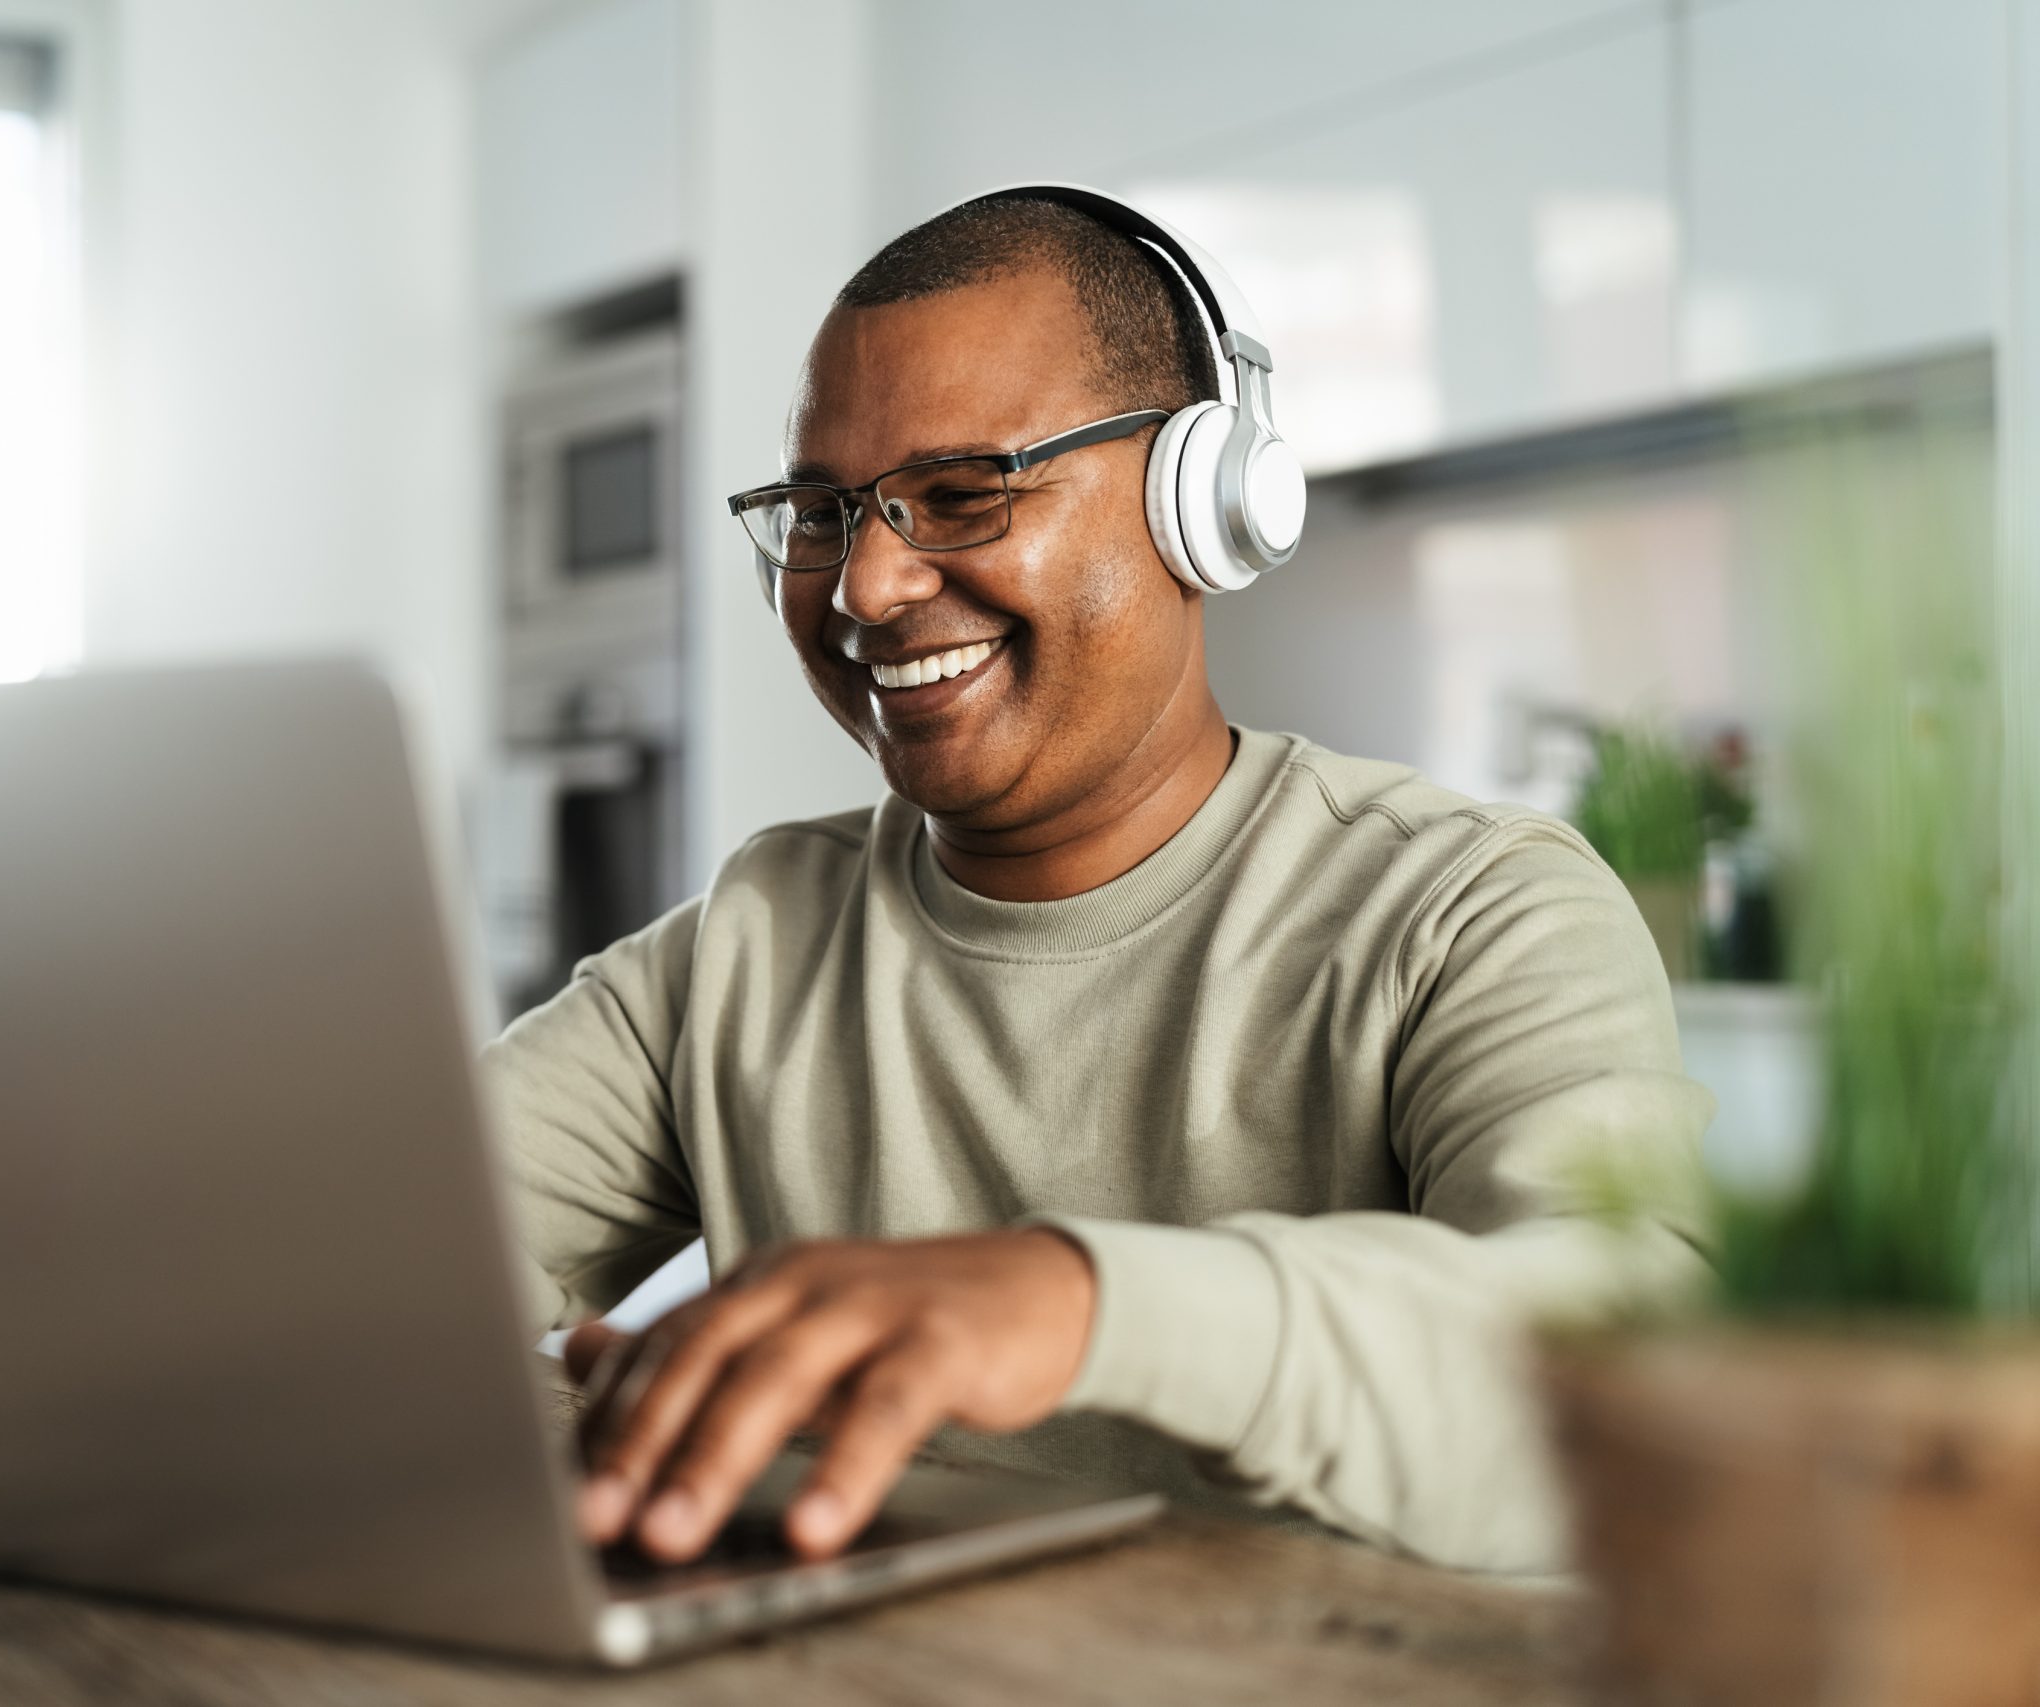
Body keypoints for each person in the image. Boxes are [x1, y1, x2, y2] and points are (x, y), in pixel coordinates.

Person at [482, 190, 1710, 1577]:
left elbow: (1626, 1400)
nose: (867, 585)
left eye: (963, 495)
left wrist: (1073, 1304)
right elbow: (358, 1257)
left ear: (1207, 503)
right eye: (823, 513)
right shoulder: (749, 947)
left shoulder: (1474, 913)